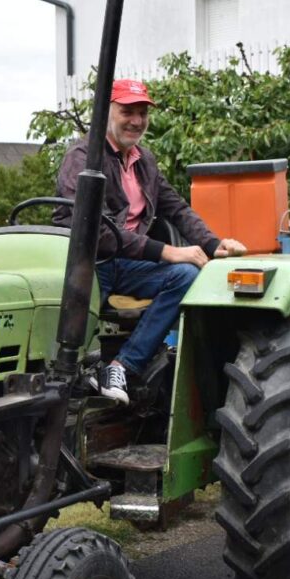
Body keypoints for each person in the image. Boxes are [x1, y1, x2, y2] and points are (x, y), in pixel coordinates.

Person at [54, 78, 246, 404]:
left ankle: (122, 366)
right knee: (79, 322)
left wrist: (214, 245)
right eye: (127, 111)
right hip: (88, 263)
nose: (136, 120)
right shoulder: (83, 158)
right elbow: (94, 232)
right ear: (105, 113)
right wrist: (167, 251)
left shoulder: (144, 161)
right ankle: (69, 375)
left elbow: (176, 208)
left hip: (126, 265)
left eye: (142, 113)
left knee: (186, 276)